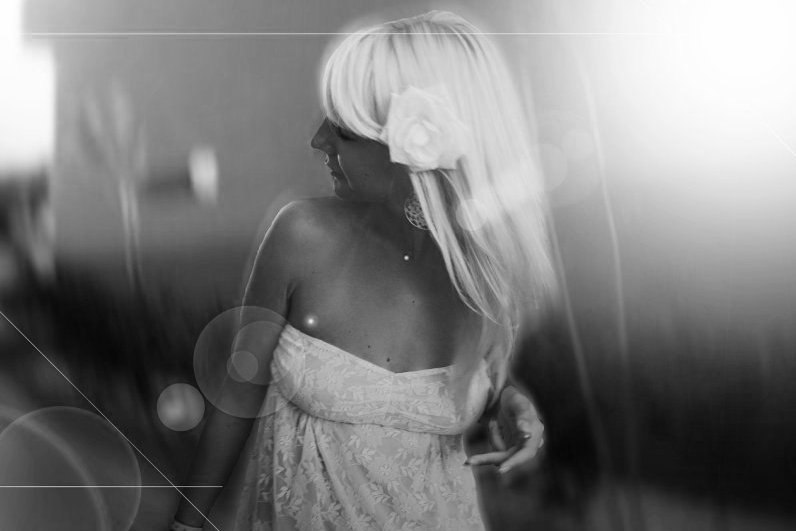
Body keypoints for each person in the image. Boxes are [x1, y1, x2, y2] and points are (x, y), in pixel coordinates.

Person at [169, 10, 559, 531]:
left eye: (343, 130)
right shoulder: (302, 235)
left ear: (415, 147)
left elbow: (479, 377)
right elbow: (238, 392)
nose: (318, 141)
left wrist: (508, 403)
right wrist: (185, 525)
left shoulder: (486, 276)